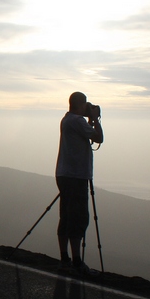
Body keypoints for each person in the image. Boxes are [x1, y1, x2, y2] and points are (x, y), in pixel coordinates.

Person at [55, 91, 103, 275]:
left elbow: (86, 137)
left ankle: (64, 258)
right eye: (86, 106)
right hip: (77, 176)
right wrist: (95, 119)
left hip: (64, 174)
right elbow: (99, 138)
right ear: (80, 105)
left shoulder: (66, 120)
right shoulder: (77, 121)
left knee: (66, 216)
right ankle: (76, 262)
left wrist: (89, 118)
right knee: (78, 218)